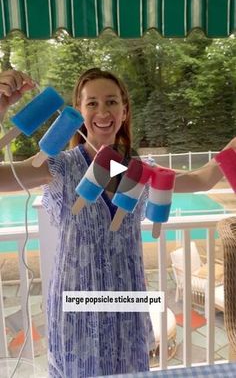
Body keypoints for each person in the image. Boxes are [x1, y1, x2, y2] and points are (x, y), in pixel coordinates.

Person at [0, 69, 235, 377]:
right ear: (80, 112)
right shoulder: (57, 167)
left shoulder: (141, 171)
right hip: (76, 303)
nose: (102, 111)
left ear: (124, 111)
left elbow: (201, 179)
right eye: (92, 103)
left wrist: (232, 148)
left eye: (111, 102)